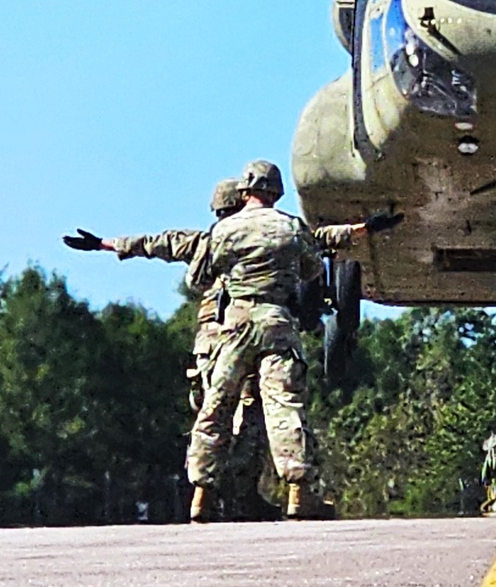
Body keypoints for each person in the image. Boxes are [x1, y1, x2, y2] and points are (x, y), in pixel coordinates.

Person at [184, 159, 402, 521]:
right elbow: (313, 269)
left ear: (244, 190)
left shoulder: (222, 231)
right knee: (284, 407)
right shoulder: (290, 227)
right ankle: (298, 494)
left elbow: (197, 278)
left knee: (217, 406)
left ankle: (201, 496)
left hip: (234, 326)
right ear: (276, 191)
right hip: (276, 322)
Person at [62, 179, 274, 520]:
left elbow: (155, 243)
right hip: (243, 336)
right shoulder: (263, 242)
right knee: (248, 416)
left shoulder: (202, 243)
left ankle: (207, 493)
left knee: (210, 416)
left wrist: (106, 244)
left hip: (210, 346)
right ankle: (240, 495)